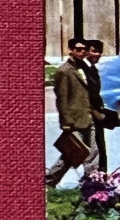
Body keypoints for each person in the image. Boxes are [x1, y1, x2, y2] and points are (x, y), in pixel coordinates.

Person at [46, 39, 99, 186]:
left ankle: (93, 183)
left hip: (88, 117)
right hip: (74, 121)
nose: (83, 52)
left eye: (85, 49)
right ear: (71, 50)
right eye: (79, 49)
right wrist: (66, 123)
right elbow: (61, 100)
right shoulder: (64, 71)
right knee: (72, 154)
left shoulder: (83, 67)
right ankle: (49, 179)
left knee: (93, 152)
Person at [81, 39, 111, 173]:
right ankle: (93, 178)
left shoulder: (92, 69)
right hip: (88, 115)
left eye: (100, 52)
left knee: (99, 147)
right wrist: (95, 113)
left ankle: (101, 175)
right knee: (92, 150)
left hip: (96, 113)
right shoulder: (82, 70)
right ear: (86, 52)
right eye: (94, 51)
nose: (98, 54)